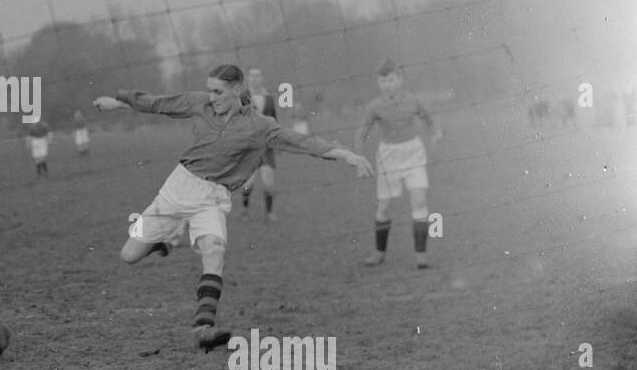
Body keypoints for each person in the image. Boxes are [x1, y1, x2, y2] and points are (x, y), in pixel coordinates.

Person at [93, 65, 372, 351]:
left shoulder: (258, 126)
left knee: (214, 249)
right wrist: (120, 100)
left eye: (218, 91)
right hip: (175, 190)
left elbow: (300, 141)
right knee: (129, 255)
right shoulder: (199, 103)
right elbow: (159, 103)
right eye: (210, 90)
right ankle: (164, 241)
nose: (212, 97)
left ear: (237, 90)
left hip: (212, 198)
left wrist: (345, 154)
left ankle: (203, 326)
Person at [356, 59, 441, 269]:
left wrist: (436, 134)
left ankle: (421, 255)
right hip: (388, 156)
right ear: (379, 83)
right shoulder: (374, 106)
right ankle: (379, 252)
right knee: (384, 207)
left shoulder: (412, 101)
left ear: (400, 80)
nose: (387, 85)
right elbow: (361, 134)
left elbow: (430, 121)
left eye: (391, 80)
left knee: (419, 201)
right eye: (383, 81)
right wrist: (359, 158)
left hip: (413, 152)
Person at [239, 67, 278, 221]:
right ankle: (245, 209)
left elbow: (274, 120)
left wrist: (278, 139)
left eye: (258, 75)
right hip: (249, 147)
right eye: (252, 76)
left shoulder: (268, 97)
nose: (255, 78)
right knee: (249, 182)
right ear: (248, 79)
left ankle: (269, 212)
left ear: (262, 78)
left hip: (267, 146)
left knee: (268, 181)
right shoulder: (243, 97)